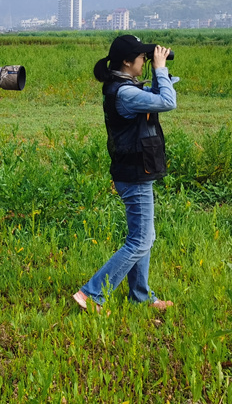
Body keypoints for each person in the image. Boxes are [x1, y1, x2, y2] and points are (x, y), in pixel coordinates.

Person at [73, 35, 177, 312]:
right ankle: (91, 293)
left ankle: (140, 296)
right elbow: (167, 101)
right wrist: (161, 70)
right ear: (127, 62)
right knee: (142, 240)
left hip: (132, 169)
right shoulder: (126, 93)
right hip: (134, 173)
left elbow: (154, 99)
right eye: (142, 57)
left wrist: (158, 73)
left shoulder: (124, 87)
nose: (145, 60)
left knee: (140, 237)